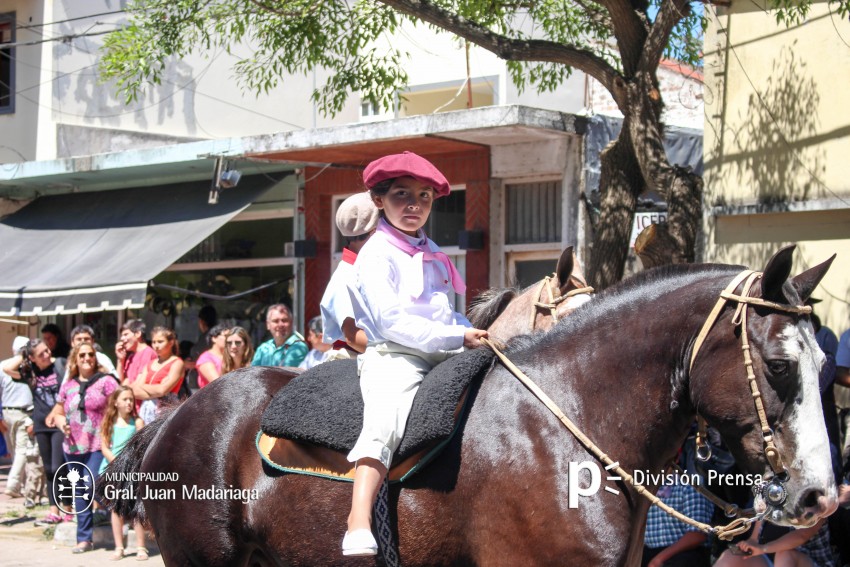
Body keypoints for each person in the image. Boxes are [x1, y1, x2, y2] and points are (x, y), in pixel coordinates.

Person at [341, 152, 488, 556]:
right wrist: (456, 337)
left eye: (424, 197)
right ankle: (357, 520)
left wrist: (469, 329)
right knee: (384, 421)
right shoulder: (376, 254)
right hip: (395, 354)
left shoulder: (432, 249)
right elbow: (389, 323)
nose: (414, 205)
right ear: (379, 200)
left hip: (441, 347)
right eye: (402, 195)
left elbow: (442, 310)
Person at [47, 342, 119, 554]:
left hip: (98, 442)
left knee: (91, 485)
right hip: (72, 446)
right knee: (79, 491)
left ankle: (115, 508)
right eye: (82, 355)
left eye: (90, 355)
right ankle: (84, 539)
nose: (87, 358)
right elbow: (58, 411)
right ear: (75, 360)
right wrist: (61, 423)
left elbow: (120, 405)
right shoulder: (68, 384)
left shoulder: (106, 382)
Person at [2, 338, 66, 524]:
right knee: (48, 469)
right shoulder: (30, 373)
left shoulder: (60, 365)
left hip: (59, 422)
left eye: (47, 350)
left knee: (58, 467)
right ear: (32, 358)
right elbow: (8, 369)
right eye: (41, 354)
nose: (47, 355)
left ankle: (67, 506)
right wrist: (24, 355)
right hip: (40, 424)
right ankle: (54, 511)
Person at [320, 191, 381, 354]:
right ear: (376, 231)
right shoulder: (346, 276)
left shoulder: (369, 269)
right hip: (353, 362)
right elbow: (354, 337)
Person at [99, 386, 148, 561]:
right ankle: (119, 547)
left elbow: (140, 447)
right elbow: (104, 446)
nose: (129, 403)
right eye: (125, 399)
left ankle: (141, 547)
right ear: (116, 402)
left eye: (131, 399)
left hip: (132, 470)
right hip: (113, 470)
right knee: (116, 509)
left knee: (136, 508)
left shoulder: (138, 423)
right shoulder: (109, 423)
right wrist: (116, 464)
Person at [642, 476, 714, 567]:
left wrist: (658, 559)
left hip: (684, 553)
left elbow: (697, 535)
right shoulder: (643, 490)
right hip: (649, 553)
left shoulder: (689, 486)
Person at [714, 519, 835, 567]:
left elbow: (801, 535)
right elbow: (755, 537)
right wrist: (751, 543)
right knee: (731, 556)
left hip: (812, 561)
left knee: (784, 555)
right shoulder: (770, 481)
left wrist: (764, 548)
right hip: (770, 558)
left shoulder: (814, 490)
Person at [1, 336, 35, 499]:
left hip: (20, 414)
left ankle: (16, 484)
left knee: (19, 450)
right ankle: (15, 485)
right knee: (18, 451)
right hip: (12, 413)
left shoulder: (29, 367)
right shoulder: (11, 367)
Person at [131, 327, 185, 425]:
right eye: (154, 342)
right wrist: (157, 390)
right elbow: (134, 391)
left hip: (165, 412)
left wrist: (142, 386)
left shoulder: (177, 363)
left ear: (171, 342)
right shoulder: (150, 364)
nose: (156, 346)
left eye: (160, 342)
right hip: (146, 412)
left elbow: (163, 390)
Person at [115, 320, 157, 387]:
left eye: (126, 334)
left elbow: (139, 384)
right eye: (122, 336)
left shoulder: (148, 353)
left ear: (138, 334)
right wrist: (120, 360)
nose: (122, 338)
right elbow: (118, 382)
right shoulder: (131, 357)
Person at [187, 305, 218, 390]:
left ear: (201, 321)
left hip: (202, 387)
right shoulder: (213, 336)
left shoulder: (206, 338)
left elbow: (198, 361)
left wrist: (186, 364)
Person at [195, 324, 228, 388]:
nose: (229, 339)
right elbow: (217, 382)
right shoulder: (205, 358)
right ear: (214, 338)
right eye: (226, 336)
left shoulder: (230, 356)